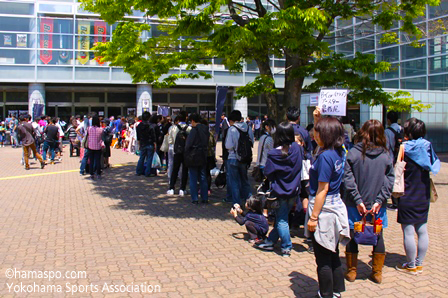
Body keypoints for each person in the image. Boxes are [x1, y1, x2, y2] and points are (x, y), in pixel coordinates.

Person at [305, 109, 350, 298]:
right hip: (336, 204)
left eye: (317, 131)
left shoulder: (324, 157)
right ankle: (337, 291)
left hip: (324, 207)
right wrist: (318, 119)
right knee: (333, 252)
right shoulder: (339, 150)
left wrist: (313, 218)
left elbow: (322, 190)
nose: (313, 135)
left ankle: (325, 294)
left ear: (325, 135)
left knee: (323, 257)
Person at [343, 119, 395, 284]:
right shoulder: (386, 155)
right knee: (378, 236)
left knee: (353, 234)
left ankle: (352, 271)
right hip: (377, 205)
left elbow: (348, 179)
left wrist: (358, 200)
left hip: (354, 204)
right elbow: (389, 180)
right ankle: (377, 272)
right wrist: (380, 200)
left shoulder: (353, 153)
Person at [395, 118, 440, 275]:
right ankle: (419, 264)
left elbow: (397, 168)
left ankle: (411, 265)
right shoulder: (427, 146)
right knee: (422, 229)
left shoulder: (404, 148)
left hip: (407, 193)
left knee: (408, 230)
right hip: (423, 194)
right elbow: (434, 165)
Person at [255, 122, 303, 257]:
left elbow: (268, 172)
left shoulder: (274, 154)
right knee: (282, 217)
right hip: (294, 189)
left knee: (281, 220)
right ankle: (271, 240)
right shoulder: (297, 149)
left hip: (280, 190)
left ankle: (286, 247)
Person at [225, 110, 254, 205]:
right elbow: (252, 142)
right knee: (245, 181)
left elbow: (228, 145)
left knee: (234, 182)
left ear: (231, 120)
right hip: (245, 158)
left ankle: (236, 204)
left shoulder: (232, 129)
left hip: (233, 158)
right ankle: (250, 202)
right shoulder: (248, 128)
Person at [185, 113, 209, 204]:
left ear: (193, 121)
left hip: (193, 155)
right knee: (203, 177)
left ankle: (194, 198)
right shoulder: (205, 129)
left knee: (193, 177)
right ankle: (205, 197)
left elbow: (188, 144)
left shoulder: (194, 130)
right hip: (203, 154)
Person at [167, 112, 190, 196]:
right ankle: (182, 189)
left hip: (176, 151)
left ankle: (171, 188)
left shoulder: (173, 128)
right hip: (186, 151)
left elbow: (170, 140)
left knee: (175, 169)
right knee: (185, 170)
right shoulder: (189, 128)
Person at [385, 111, 403, 211]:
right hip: (401, 158)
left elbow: (386, 146)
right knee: (400, 178)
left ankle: (394, 202)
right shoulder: (401, 129)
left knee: (392, 178)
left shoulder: (387, 131)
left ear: (388, 120)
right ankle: (401, 199)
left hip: (391, 158)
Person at [136, 111, 157, 177]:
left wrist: (139, 144)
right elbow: (153, 136)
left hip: (142, 143)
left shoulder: (139, 126)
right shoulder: (150, 126)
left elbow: (138, 137)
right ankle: (147, 173)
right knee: (149, 158)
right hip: (150, 143)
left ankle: (138, 171)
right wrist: (155, 143)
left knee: (141, 157)